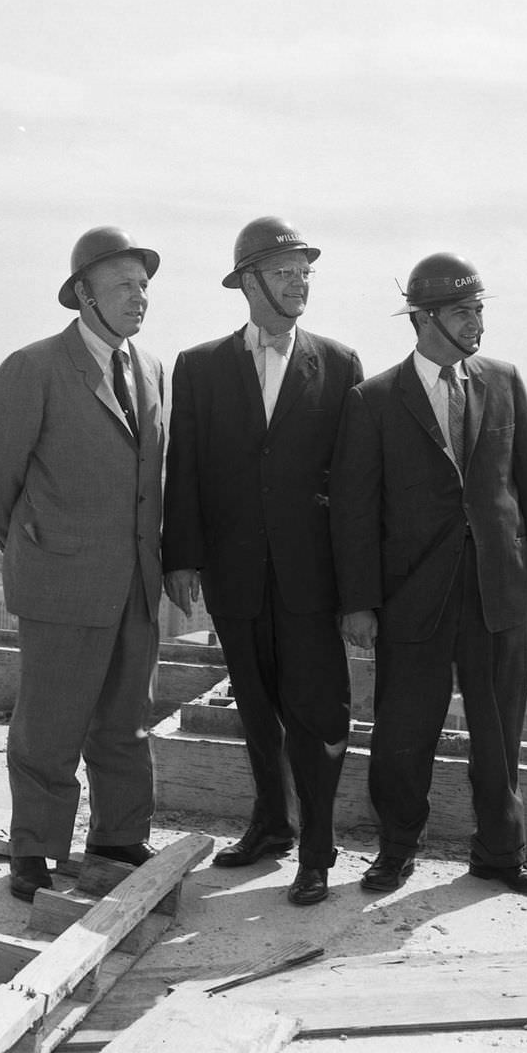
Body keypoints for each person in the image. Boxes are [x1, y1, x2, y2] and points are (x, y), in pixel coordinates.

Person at [330, 253, 527, 896]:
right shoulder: (373, 400)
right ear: (425, 319)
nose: (478, 322)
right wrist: (359, 603)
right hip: (414, 596)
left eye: (481, 309)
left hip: (497, 589)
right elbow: (355, 513)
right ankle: (397, 849)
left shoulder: (504, 380)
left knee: (499, 732)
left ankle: (500, 856)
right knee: (404, 732)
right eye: (465, 311)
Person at [163, 217, 363, 907]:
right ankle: (271, 825)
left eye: (305, 271)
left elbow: (355, 484)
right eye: (284, 271)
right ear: (248, 282)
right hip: (236, 572)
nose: (299, 282)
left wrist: (356, 585)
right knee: (256, 708)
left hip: (312, 579)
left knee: (318, 715)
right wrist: (182, 556)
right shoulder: (198, 366)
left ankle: (317, 851)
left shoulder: (339, 364)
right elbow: (183, 467)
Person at [0, 226, 166, 901]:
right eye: (121, 285)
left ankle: (117, 838)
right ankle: (37, 849)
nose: (138, 298)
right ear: (82, 294)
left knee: (125, 721)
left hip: (135, 587)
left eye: (143, 286)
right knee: (49, 726)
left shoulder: (152, 371)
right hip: (61, 585)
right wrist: (40, 547)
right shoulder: (35, 368)